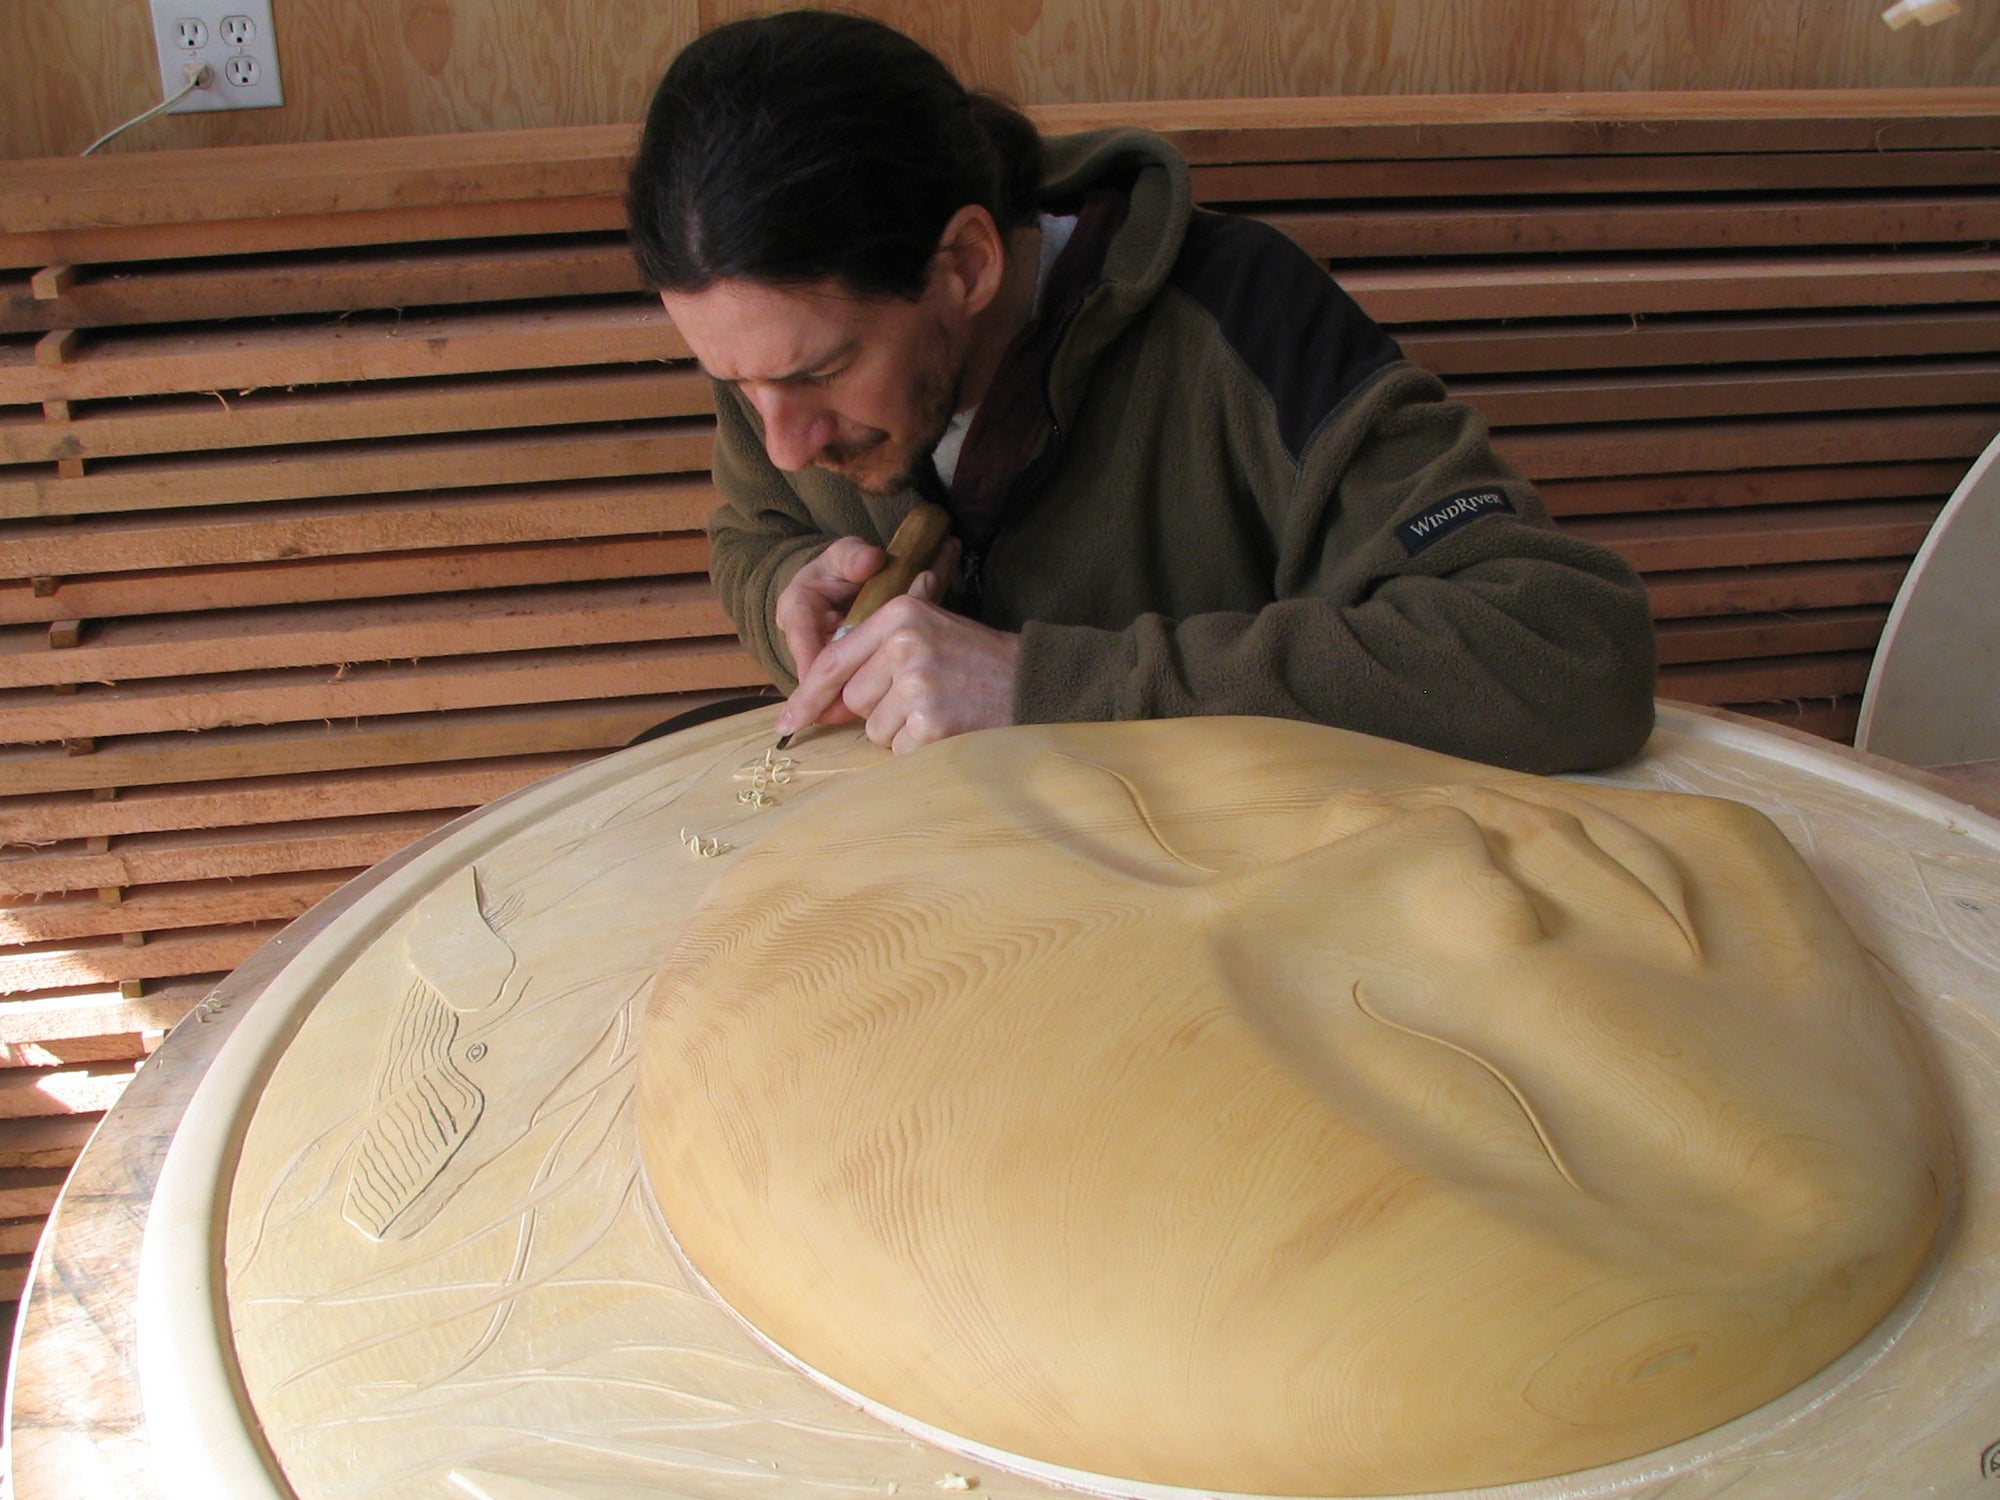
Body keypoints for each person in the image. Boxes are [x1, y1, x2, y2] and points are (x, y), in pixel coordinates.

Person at [625, 10, 1658, 772]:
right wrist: (785, 590)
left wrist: (1043, 685)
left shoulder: (1241, 317)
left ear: (967, 264)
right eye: (733, 384)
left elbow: (1565, 646)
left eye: (819, 375)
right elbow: (755, 531)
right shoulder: (775, 359)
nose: (783, 444)